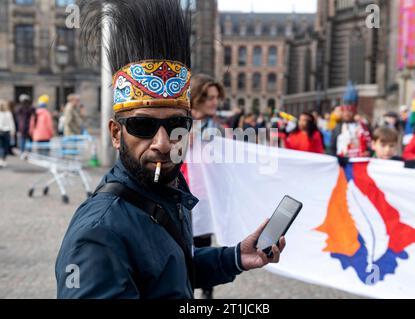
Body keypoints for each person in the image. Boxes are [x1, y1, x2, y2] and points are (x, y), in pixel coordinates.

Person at [56, 0, 286, 299]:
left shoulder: (168, 186)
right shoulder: (99, 235)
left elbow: (170, 269)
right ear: (116, 133)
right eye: (142, 126)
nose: (163, 143)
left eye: (177, 124)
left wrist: (234, 258)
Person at [188, 73, 225, 299]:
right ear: (197, 98)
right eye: (210, 97)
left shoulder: (217, 127)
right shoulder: (179, 122)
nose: (215, 102)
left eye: (216, 97)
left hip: (205, 193)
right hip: (181, 192)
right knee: (182, 243)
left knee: (204, 243)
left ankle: (207, 290)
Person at [0, 100, 16, 168]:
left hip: (3, 131)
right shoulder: (8, 113)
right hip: (6, 132)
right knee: (4, 146)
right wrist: (13, 131)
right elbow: (11, 123)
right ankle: (2, 159)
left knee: (2, 146)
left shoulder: (8, 113)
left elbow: (11, 123)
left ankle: (2, 160)